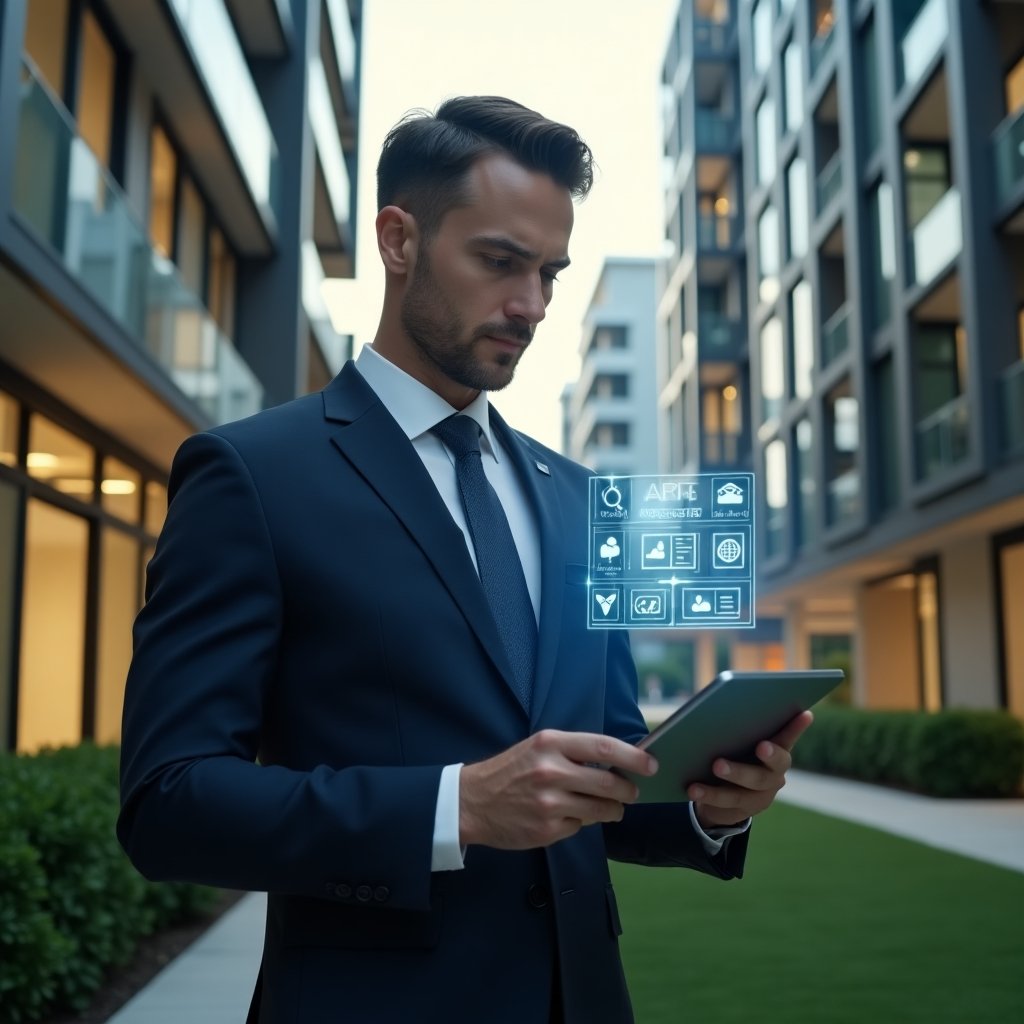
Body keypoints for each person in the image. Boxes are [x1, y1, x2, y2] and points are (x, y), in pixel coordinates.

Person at [117, 96, 811, 1024]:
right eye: (499, 261)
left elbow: (608, 768)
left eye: (550, 273)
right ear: (398, 240)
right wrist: (456, 807)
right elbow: (168, 803)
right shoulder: (250, 474)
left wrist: (710, 806)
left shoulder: (580, 497)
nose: (532, 305)